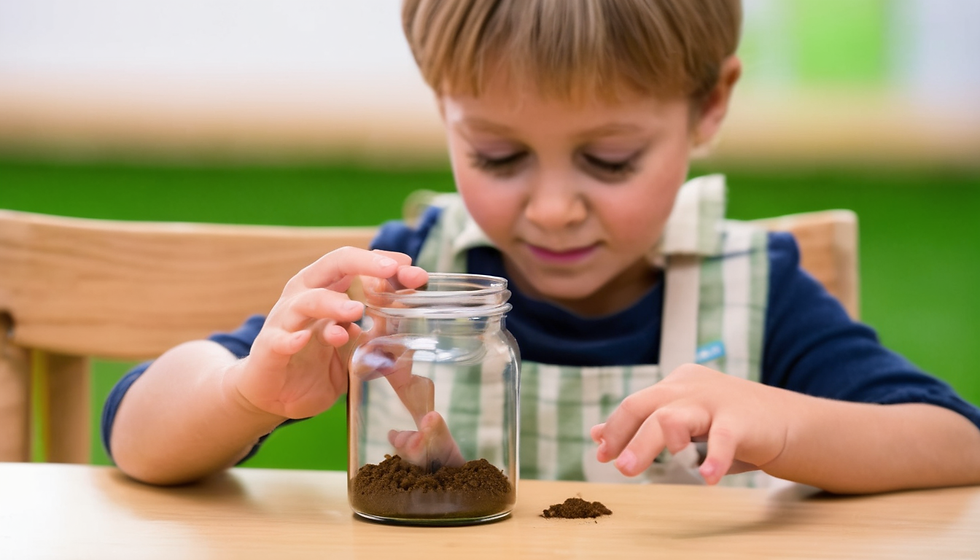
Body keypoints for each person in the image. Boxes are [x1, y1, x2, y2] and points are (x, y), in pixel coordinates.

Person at [103, 0, 980, 492]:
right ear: (441, 102)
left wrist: (784, 425)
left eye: (609, 158)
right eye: (498, 154)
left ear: (710, 106)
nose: (554, 208)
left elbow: (955, 444)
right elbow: (137, 438)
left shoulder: (751, 287)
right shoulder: (414, 283)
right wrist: (247, 392)